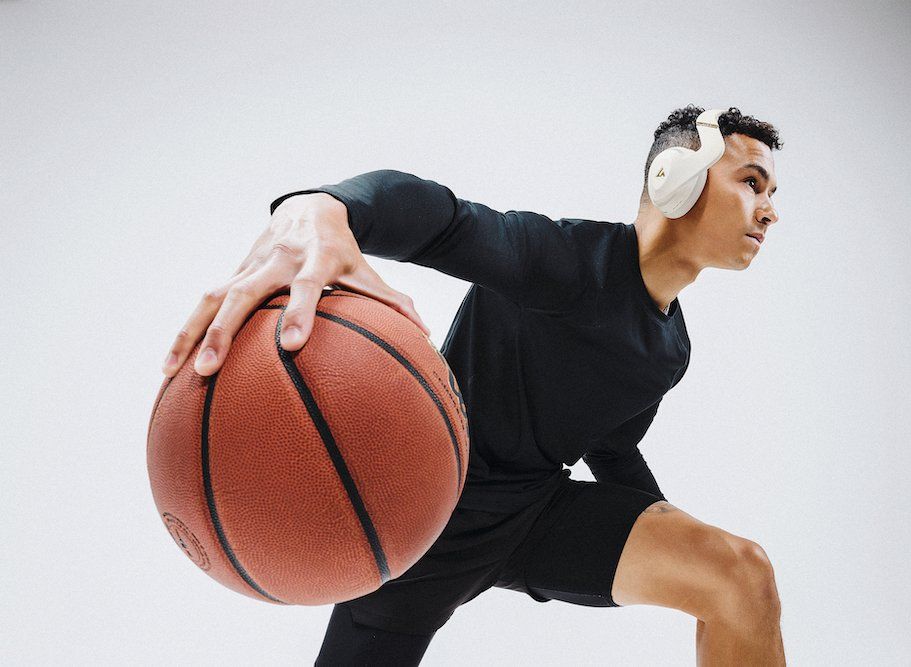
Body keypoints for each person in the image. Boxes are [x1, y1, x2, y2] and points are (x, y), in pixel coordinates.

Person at [162, 104, 786, 665]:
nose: (769, 210)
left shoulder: (670, 350)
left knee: (738, 575)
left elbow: (613, 446)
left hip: (536, 514)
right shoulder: (565, 261)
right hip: (419, 515)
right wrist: (325, 207)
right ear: (674, 180)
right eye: (750, 182)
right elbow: (445, 221)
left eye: (772, 192)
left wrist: (665, 524)